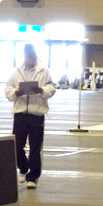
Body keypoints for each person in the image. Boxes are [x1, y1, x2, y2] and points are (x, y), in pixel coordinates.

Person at [5, 44, 56, 189]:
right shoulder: (16, 72)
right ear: (24, 56)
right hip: (20, 114)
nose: (30, 58)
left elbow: (52, 88)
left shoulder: (44, 71)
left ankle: (32, 177)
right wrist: (15, 92)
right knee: (17, 146)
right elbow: (7, 89)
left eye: (32, 56)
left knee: (35, 148)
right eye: (28, 56)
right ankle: (23, 167)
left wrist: (41, 90)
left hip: (37, 114)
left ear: (35, 56)